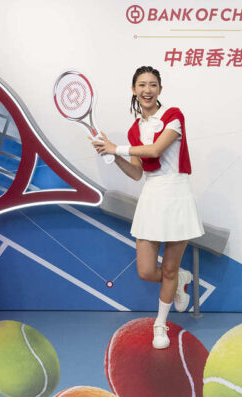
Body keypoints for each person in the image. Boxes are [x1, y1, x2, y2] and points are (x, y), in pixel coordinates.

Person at [93, 66, 204, 349]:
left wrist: (116, 148)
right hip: (152, 196)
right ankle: (180, 278)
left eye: (153, 84)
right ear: (134, 90)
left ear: (160, 89)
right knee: (145, 270)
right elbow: (136, 173)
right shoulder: (134, 129)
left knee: (168, 268)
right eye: (141, 85)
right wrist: (112, 156)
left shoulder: (173, 116)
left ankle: (160, 324)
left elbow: (155, 150)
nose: (147, 90)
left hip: (177, 194)